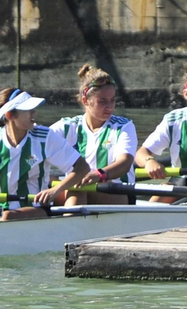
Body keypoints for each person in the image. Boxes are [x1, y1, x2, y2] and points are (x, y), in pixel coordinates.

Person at [0, 88, 91, 220]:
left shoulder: (45, 137)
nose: (34, 112)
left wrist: (55, 190)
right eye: (28, 110)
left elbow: (82, 167)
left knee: (7, 216)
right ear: (10, 115)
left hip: (36, 207)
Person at [49, 65, 138, 204]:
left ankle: (70, 215)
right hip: (78, 189)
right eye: (102, 101)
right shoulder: (67, 127)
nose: (110, 106)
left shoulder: (124, 126)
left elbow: (125, 162)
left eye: (112, 100)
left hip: (118, 193)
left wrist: (99, 175)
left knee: (78, 188)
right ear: (85, 100)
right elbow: (36, 142)